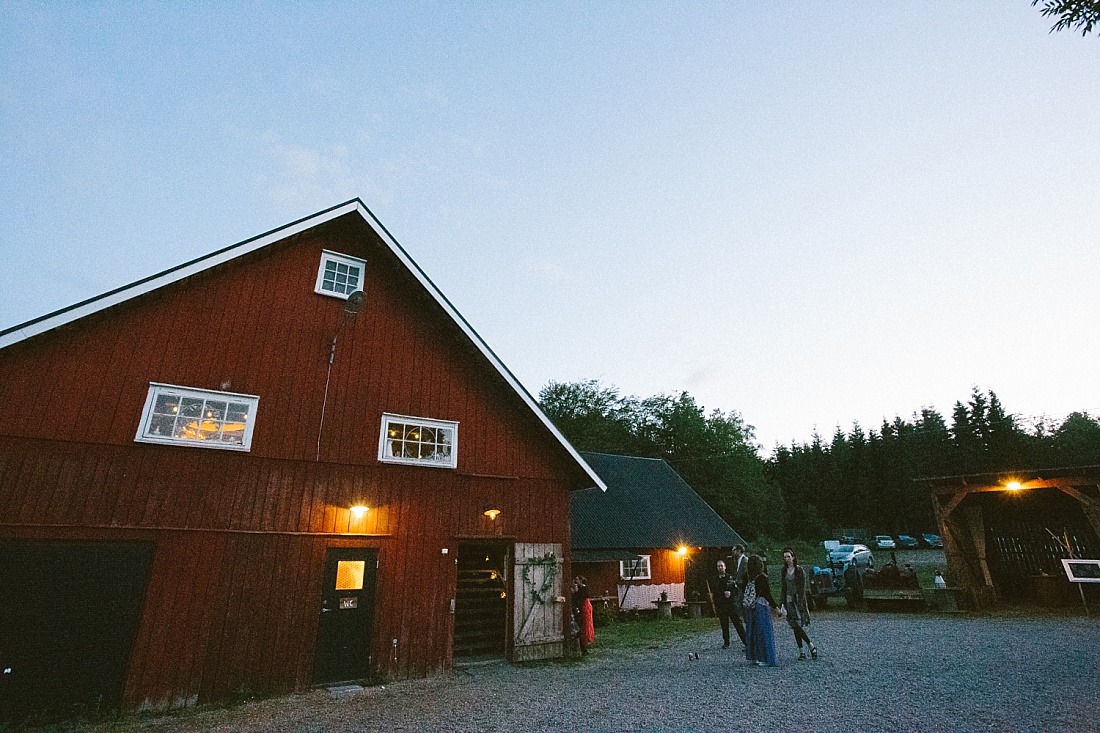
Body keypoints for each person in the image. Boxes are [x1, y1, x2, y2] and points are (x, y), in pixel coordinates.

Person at [779, 547, 818, 660]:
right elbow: (783, 587)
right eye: (785, 557)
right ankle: (802, 651)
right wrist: (782, 603)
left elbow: (802, 589)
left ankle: (810, 646)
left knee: (797, 625)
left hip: (797, 601)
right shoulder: (783, 570)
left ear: (793, 557)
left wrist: (801, 604)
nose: (787, 559)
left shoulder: (799, 570)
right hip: (788, 600)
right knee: (794, 626)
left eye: (788, 557)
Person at [742, 554, 778, 666]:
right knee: (763, 632)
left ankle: (754, 657)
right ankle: (765, 657)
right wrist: (776, 608)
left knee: (752, 631)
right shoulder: (762, 578)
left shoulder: (747, 577)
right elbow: (767, 594)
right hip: (761, 606)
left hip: (751, 607)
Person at [709, 559, 745, 649]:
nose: (720, 568)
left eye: (721, 566)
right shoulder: (715, 579)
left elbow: (736, 591)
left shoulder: (730, 578)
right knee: (724, 625)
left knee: (738, 623)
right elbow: (715, 592)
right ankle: (726, 642)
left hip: (731, 604)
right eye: (718, 566)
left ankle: (746, 641)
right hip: (721, 605)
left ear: (725, 567)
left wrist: (730, 593)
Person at [571, 575, 594, 655]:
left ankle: (582, 645)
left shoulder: (584, 588)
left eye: (577, 579)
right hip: (581, 607)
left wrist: (575, 592)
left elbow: (581, 598)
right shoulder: (580, 588)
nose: (575, 581)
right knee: (580, 626)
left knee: (583, 626)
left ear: (581, 580)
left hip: (585, 608)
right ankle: (582, 647)